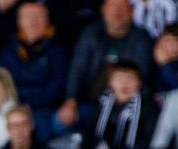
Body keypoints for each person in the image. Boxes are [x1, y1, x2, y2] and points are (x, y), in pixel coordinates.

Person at [62, 61, 158, 149]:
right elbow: (91, 132)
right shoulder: (101, 102)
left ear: (139, 83)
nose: (125, 83)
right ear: (110, 82)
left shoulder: (149, 107)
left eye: (130, 78)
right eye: (119, 79)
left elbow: (147, 142)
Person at [60, 0, 154, 131]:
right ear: (103, 9)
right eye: (113, 6)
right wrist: (70, 100)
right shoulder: (91, 32)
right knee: (57, 122)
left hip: (125, 107)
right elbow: (77, 69)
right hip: (89, 103)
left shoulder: (141, 38)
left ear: (131, 11)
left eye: (122, 7)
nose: (117, 11)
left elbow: (141, 77)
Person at [0, 1, 68, 138]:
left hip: (43, 108)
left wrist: (30, 105)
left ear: (47, 20)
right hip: (12, 105)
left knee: (38, 123)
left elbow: (57, 85)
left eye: (39, 16)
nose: (33, 22)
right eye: (28, 17)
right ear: (19, 21)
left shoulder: (57, 49)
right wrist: (14, 104)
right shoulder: (9, 48)